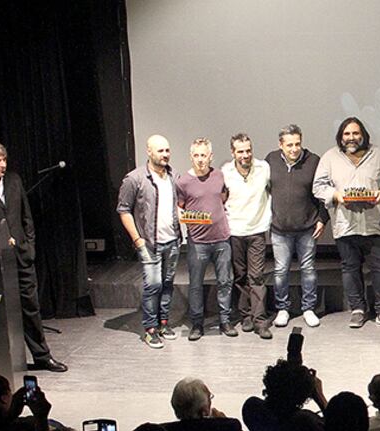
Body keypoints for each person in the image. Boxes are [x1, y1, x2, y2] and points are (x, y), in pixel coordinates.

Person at [0, 140, 67, 370]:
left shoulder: (14, 181)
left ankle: (42, 356)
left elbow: (26, 217)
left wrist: (29, 246)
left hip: (21, 256)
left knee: (31, 307)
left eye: (4, 160)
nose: (3, 165)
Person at [314, 117, 380, 330]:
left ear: (363, 135)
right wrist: (336, 195)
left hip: (376, 223)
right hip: (345, 224)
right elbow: (318, 186)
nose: (351, 138)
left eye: (355, 133)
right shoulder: (330, 157)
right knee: (350, 268)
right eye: (347, 134)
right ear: (341, 137)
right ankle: (358, 310)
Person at [115, 134, 181, 349]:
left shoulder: (172, 177)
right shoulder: (134, 179)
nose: (165, 154)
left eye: (167, 150)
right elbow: (123, 210)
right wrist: (138, 240)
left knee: (167, 284)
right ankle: (150, 329)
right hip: (149, 243)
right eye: (160, 150)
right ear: (149, 152)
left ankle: (163, 323)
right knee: (153, 285)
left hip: (172, 241)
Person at [266, 124, 328, 329]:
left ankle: (308, 308)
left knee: (308, 269)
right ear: (280, 145)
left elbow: (323, 192)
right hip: (279, 229)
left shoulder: (314, 161)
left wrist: (322, 218)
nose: (294, 149)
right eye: (289, 145)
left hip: (307, 228)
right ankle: (282, 308)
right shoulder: (271, 160)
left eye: (297, 144)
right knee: (280, 270)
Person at [176, 137, 235, 341]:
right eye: (197, 155)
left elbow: (224, 197)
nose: (201, 160)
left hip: (221, 239)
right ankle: (197, 323)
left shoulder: (219, 176)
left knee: (225, 281)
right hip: (198, 242)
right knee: (195, 284)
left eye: (204, 155)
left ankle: (225, 321)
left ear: (211, 156)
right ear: (191, 157)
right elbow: (181, 208)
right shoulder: (183, 181)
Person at [221, 133, 273, 338]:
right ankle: (246, 317)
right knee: (240, 276)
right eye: (240, 151)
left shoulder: (264, 168)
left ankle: (260, 321)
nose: (245, 155)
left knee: (257, 276)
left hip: (257, 230)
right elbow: (221, 199)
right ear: (233, 152)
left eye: (248, 150)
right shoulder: (225, 172)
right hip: (234, 231)